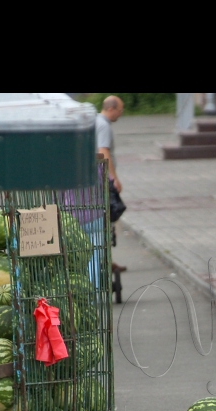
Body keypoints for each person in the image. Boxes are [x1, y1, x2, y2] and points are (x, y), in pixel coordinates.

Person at [95, 95, 126, 276]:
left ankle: (106, 259)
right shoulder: (104, 125)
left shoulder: (96, 122)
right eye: (120, 110)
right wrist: (113, 178)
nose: (120, 114)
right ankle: (105, 260)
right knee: (107, 218)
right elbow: (103, 151)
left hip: (96, 178)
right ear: (111, 108)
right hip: (102, 179)